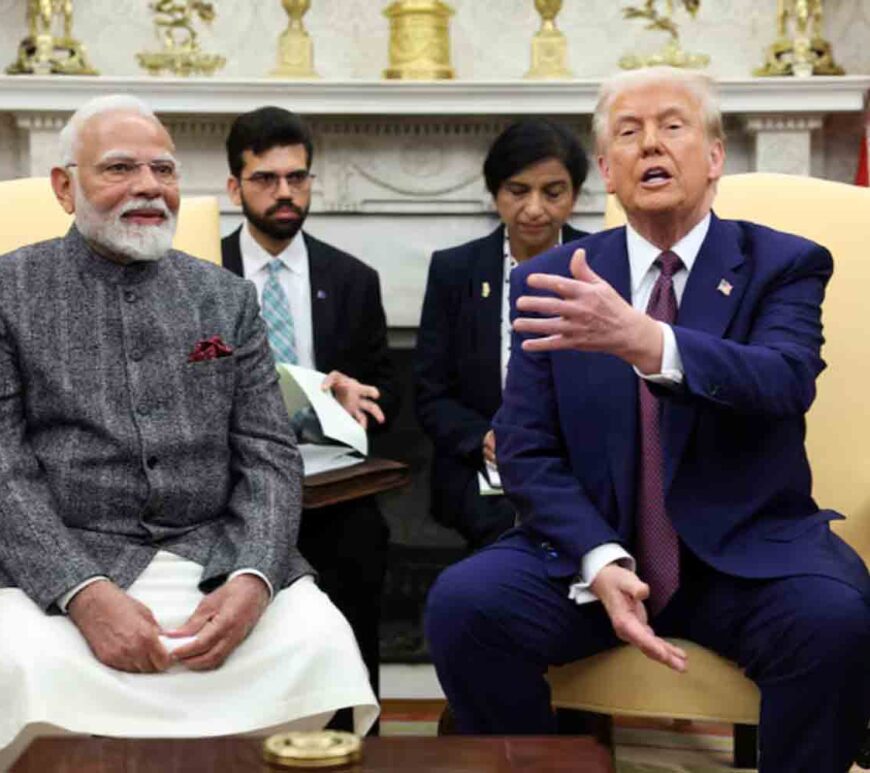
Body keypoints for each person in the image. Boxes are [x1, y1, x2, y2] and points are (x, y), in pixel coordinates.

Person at [425, 67, 870, 772]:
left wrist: (646, 341)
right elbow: (525, 447)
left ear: (714, 156)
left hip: (745, 555)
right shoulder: (555, 277)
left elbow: (784, 382)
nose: (649, 145)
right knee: (462, 605)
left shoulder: (782, 264)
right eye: (627, 134)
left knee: (834, 621)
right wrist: (599, 557)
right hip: (596, 553)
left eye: (672, 125)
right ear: (606, 168)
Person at [0, 95, 377, 759]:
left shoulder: (225, 296)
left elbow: (269, 456)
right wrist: (81, 592)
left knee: (318, 639)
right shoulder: (10, 291)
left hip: (215, 557)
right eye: (120, 168)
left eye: (165, 170)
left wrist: (255, 577)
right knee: (19, 662)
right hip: (61, 562)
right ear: (65, 187)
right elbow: (4, 467)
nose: (150, 186)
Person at [221, 106, 399, 722]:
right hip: (227, 487)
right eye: (266, 179)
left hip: (327, 485)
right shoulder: (199, 275)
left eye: (298, 178)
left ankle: (353, 735)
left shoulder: (353, 280)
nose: (285, 193)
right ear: (234, 187)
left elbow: (386, 400)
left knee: (362, 543)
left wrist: (356, 401)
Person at [414, 118, 588, 549]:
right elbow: (431, 393)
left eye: (553, 192)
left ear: (575, 196)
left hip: (578, 460)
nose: (534, 208)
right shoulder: (456, 270)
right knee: (507, 535)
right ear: (495, 194)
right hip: (482, 465)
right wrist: (483, 439)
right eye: (517, 190)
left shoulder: (602, 266)